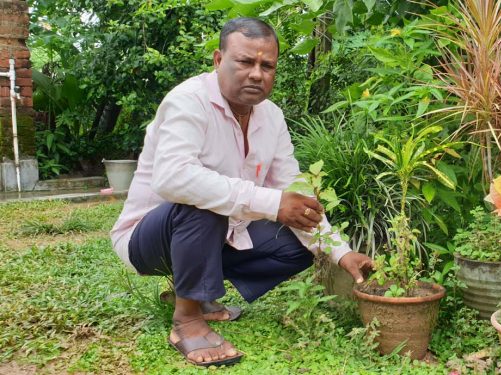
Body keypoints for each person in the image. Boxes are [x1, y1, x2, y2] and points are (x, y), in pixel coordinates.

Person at [110, 17, 374, 367]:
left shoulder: (272, 117)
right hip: (150, 237)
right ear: (219, 60)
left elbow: (292, 190)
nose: (256, 74)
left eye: (267, 65)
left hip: (217, 236)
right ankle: (186, 319)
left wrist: (341, 253)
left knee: (295, 240)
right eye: (245, 62)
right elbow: (172, 179)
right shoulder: (188, 101)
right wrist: (271, 202)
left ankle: (196, 293)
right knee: (202, 200)